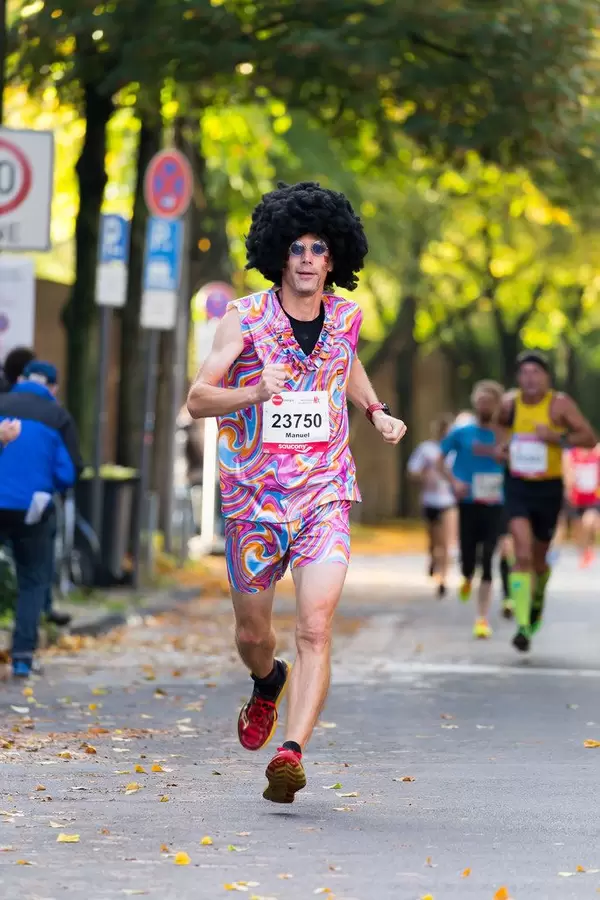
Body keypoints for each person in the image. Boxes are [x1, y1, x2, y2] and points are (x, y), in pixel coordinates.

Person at [186, 181, 407, 804]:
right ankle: (267, 681)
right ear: (279, 255)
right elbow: (198, 398)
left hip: (324, 492)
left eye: (319, 249)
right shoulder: (245, 319)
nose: (308, 259)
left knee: (315, 626)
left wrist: (376, 411)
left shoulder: (345, 317)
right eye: (297, 248)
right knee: (253, 636)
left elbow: (346, 361)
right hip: (253, 497)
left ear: (334, 258)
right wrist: (256, 390)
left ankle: (291, 752)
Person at [496, 350, 596, 652]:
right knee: (521, 553)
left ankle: (536, 600)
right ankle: (522, 625)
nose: (530, 378)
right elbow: (500, 432)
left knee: (539, 560)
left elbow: (589, 438)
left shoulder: (559, 404)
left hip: (548, 488)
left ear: (546, 377)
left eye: (535, 372)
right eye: (524, 373)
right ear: (518, 378)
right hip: (517, 485)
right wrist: (502, 448)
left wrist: (556, 437)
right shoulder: (509, 404)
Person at [0, 361, 82, 677]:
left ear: (20, 379)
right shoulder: (58, 417)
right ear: (54, 388)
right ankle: (22, 657)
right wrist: (47, 489)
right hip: (32, 510)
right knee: (32, 580)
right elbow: (69, 472)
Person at [439, 381, 505, 638]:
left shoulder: (505, 433)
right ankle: (467, 577)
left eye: (489, 401)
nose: (484, 405)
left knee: (488, 556)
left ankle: (482, 618)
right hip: (467, 502)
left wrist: (506, 457)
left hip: (495, 501)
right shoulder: (461, 432)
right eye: (481, 400)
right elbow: (439, 460)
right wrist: (454, 482)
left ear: (497, 404)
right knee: (468, 557)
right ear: (475, 402)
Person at [407, 414, 455, 596]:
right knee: (434, 541)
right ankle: (433, 559)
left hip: (449, 500)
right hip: (430, 500)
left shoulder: (455, 451)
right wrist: (424, 475)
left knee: (446, 542)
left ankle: (443, 579)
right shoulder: (426, 449)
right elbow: (412, 471)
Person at [563, 443, 600, 567]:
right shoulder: (570, 455)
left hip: (593, 498)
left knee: (588, 522)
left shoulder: (596, 452)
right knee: (578, 530)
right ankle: (585, 551)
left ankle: (588, 549)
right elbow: (567, 475)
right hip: (576, 499)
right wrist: (568, 488)